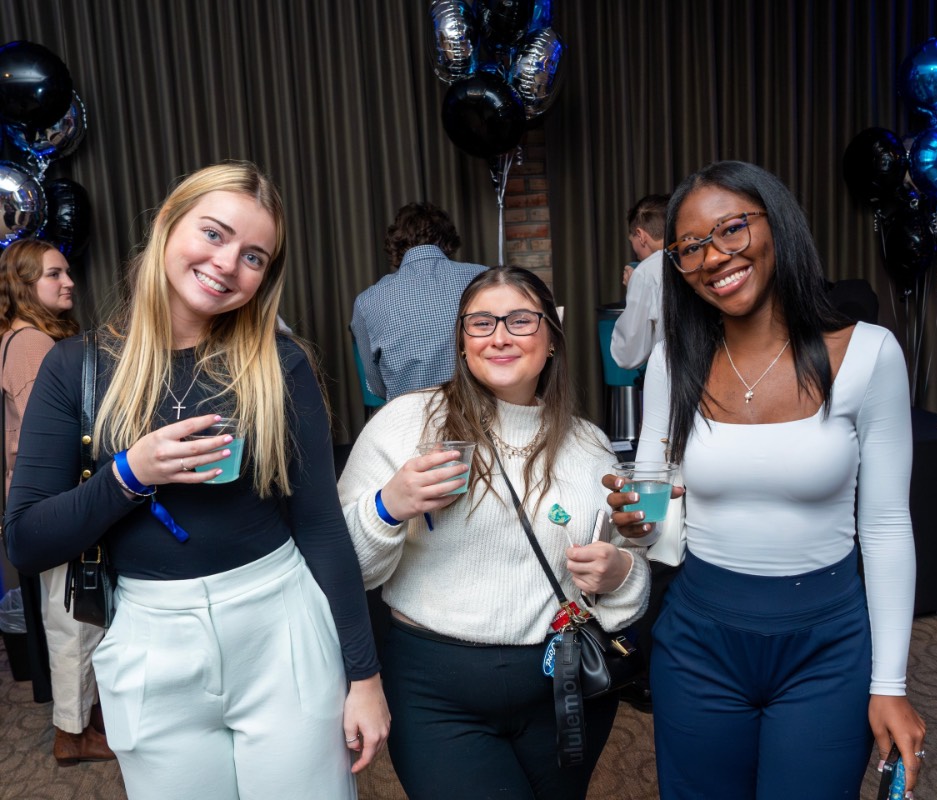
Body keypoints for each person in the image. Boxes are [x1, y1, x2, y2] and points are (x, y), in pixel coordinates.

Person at [5, 162, 390, 799]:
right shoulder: (76, 368)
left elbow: (321, 527)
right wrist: (130, 473)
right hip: (151, 643)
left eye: (254, 256)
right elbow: (27, 541)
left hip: (283, 631)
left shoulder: (280, 365)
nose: (227, 263)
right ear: (167, 224)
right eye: (213, 234)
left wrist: (365, 676)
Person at [604, 161, 926, 799]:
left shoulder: (869, 354)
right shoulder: (673, 360)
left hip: (825, 647)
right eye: (689, 247)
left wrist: (889, 682)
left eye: (730, 229)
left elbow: (886, 525)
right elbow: (653, 495)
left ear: (774, 223)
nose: (713, 257)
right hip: (698, 639)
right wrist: (635, 521)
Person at [339, 266, 651, 799]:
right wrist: (390, 506)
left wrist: (622, 572)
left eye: (520, 320)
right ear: (461, 342)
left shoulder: (590, 444)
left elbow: (621, 572)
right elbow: (348, 571)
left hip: (564, 686)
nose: (500, 336)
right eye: (480, 323)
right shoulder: (405, 423)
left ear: (551, 339)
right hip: (436, 692)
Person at [0, 239, 113, 764]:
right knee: (73, 618)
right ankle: (71, 733)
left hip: (48, 500)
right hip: (54, 501)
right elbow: (49, 436)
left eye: (67, 271)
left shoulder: (22, 337)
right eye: (53, 275)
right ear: (25, 286)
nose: (68, 281)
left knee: (71, 613)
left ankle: (83, 719)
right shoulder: (31, 344)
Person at [351, 201, 487, 401]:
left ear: (395, 243)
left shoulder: (366, 301)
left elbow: (377, 385)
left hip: (407, 421)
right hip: (480, 413)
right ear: (448, 239)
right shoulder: (483, 277)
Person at [610, 194, 670, 370]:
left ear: (641, 235)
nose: (635, 250)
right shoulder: (695, 255)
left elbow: (627, 355)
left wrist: (633, 289)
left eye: (633, 241)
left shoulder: (645, 272)